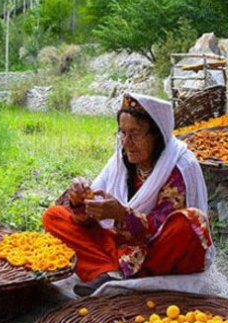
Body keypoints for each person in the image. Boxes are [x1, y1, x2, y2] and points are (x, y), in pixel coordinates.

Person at [43, 92, 212, 296]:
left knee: (189, 223)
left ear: (157, 135)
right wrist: (80, 200)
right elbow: (90, 215)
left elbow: (157, 229)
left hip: (158, 250)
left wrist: (122, 215)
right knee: (54, 216)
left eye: (135, 134)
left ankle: (120, 276)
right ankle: (108, 274)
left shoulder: (179, 167)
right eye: (122, 133)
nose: (126, 142)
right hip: (121, 242)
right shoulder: (121, 160)